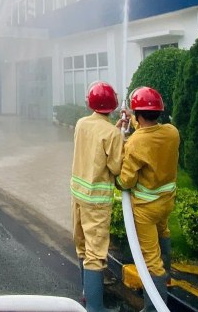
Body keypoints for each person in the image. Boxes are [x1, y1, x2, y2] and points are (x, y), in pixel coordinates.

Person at [116, 86, 180, 312]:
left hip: (146, 208)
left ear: (138, 113)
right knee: (165, 233)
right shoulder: (172, 132)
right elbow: (148, 131)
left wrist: (117, 180)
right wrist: (132, 121)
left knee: (151, 258)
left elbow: (126, 180)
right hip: (167, 202)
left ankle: (154, 306)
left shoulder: (135, 143)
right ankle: (168, 278)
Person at [70, 81, 124, 312]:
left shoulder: (82, 123)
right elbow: (116, 167)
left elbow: (91, 143)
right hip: (97, 201)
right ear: (112, 106)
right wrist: (121, 136)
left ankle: (86, 292)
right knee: (95, 252)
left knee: (81, 245)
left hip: (77, 195)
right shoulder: (112, 133)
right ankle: (95, 307)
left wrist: (116, 130)